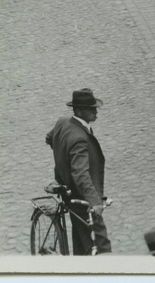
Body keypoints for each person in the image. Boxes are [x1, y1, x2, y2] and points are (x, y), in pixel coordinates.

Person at [45, 89, 110, 254]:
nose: (96, 111)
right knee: (101, 245)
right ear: (79, 111)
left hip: (69, 191)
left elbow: (49, 138)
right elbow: (80, 174)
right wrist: (94, 201)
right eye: (91, 109)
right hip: (81, 197)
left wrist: (63, 159)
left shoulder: (62, 122)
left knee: (82, 243)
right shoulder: (79, 138)